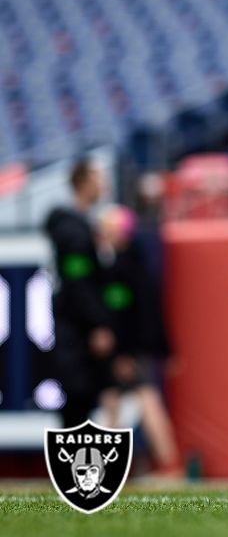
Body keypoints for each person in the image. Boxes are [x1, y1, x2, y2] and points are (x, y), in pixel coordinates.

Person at [93, 204, 181, 476]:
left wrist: (123, 353)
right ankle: (160, 463)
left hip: (128, 349)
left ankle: (167, 463)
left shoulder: (124, 268)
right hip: (134, 348)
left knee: (137, 400)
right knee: (118, 401)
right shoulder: (135, 265)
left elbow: (128, 315)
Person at [44, 158, 113, 427]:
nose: (103, 185)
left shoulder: (82, 229)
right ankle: (73, 467)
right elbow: (79, 284)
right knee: (76, 404)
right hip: (75, 336)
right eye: (98, 179)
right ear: (83, 183)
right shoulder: (74, 234)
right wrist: (97, 324)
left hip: (75, 333)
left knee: (82, 404)